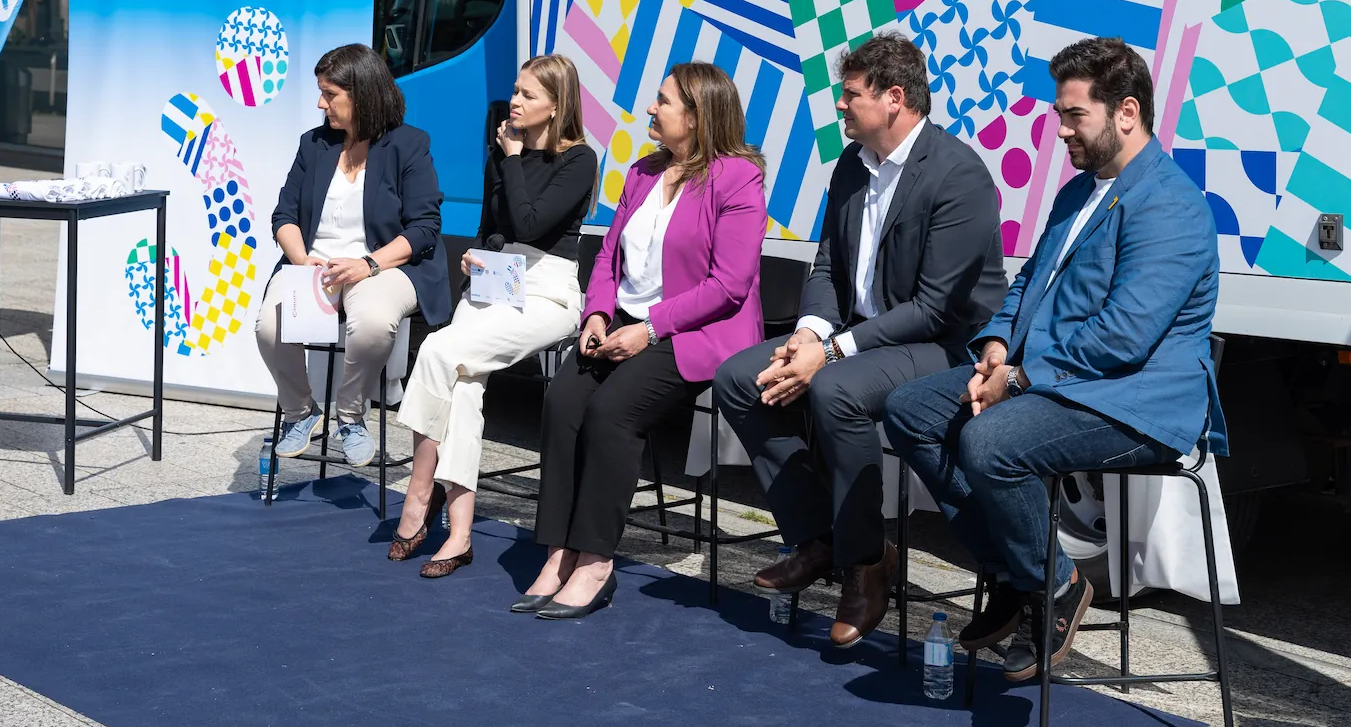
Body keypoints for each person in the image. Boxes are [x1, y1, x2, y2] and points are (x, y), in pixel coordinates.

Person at [884, 37, 1224, 682]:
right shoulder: (1080, 192)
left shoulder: (1171, 205)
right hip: (1060, 381)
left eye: (1075, 115)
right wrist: (996, 346)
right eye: (1059, 114)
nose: (1061, 129)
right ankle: (1019, 574)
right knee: (909, 410)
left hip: (1135, 400)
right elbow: (1027, 286)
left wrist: (1018, 379)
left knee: (989, 443)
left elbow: (1124, 336)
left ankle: (1057, 587)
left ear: (1127, 112)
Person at [713, 34, 1006, 648]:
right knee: (739, 379)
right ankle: (819, 537)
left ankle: (867, 564)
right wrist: (809, 334)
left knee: (836, 390)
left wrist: (831, 353)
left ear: (894, 98)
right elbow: (827, 267)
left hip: (940, 344)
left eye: (851, 94)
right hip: (859, 337)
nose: (840, 106)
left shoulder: (959, 174)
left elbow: (934, 308)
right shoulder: (852, 164)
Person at [517, 63, 766, 620]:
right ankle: (558, 551)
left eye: (663, 101)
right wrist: (597, 314)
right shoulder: (644, 170)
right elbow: (609, 256)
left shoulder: (738, 178)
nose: (650, 109)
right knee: (563, 400)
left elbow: (728, 286)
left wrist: (650, 327)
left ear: (697, 117)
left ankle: (595, 562)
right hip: (625, 321)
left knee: (611, 412)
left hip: (697, 331)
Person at [392, 55, 598, 577]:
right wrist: (475, 257)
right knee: (462, 386)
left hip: (546, 293)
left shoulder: (578, 160)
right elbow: (494, 228)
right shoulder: (500, 153)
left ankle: (420, 488)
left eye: (529, 94)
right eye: (516, 89)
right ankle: (460, 534)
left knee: (437, 349)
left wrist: (513, 158)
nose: (515, 100)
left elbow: (530, 222)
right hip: (494, 281)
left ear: (557, 105)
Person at [258, 44, 451, 466]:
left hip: (381, 267)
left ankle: (349, 414)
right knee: (270, 328)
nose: (320, 103)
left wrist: (367, 264)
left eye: (329, 94)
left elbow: (424, 228)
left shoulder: (409, 144)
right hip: (315, 265)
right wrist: (300, 259)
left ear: (361, 94)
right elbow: (284, 215)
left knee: (373, 325)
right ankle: (301, 412)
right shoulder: (314, 145)